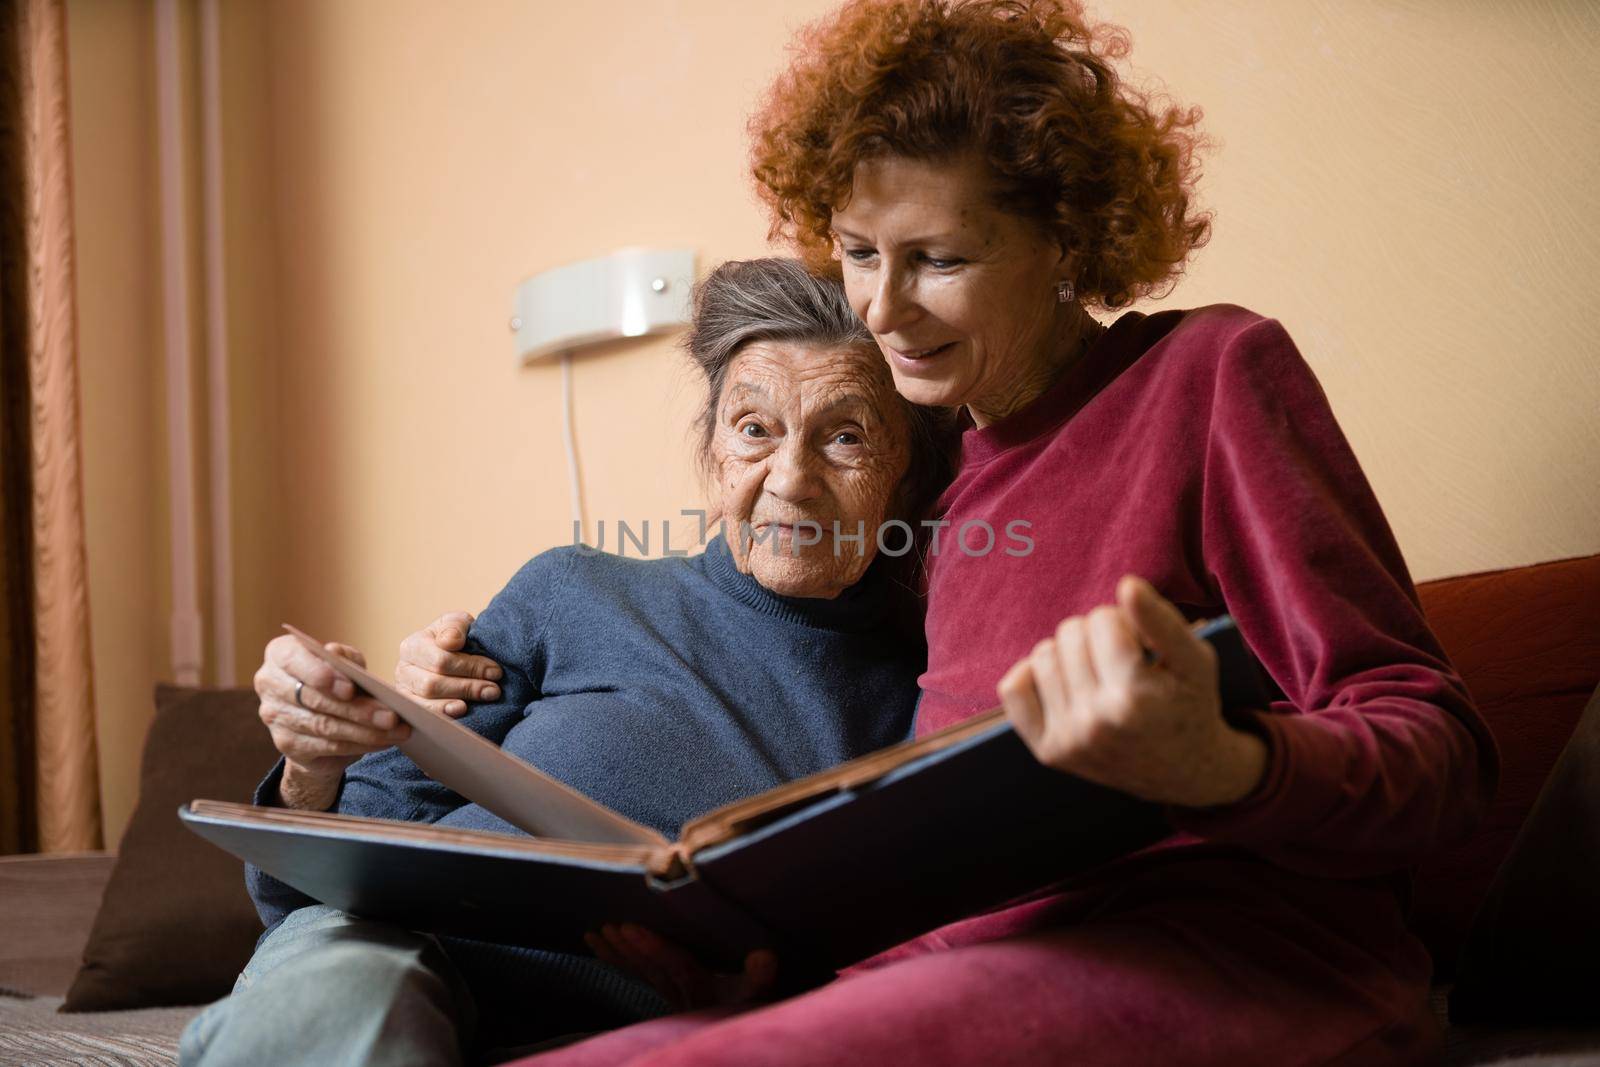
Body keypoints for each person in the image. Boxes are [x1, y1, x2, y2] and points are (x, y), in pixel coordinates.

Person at [473, 1, 1499, 1064]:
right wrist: (778, 976)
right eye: (859, 250)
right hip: (971, 970)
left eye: (939, 258)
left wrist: (1228, 760)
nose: (878, 306)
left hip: (1242, 956)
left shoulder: (1208, 376)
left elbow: (1447, 761)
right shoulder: (935, 489)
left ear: (1067, 236)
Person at [177, 257, 955, 1067]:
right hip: (396, 960)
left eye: (845, 435)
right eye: (755, 429)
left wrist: (753, 1003)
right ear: (713, 454)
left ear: (904, 479)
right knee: (344, 1010)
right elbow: (314, 886)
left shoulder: (921, 696)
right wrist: (312, 762)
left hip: (634, 1026)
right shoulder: (572, 589)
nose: (791, 480)